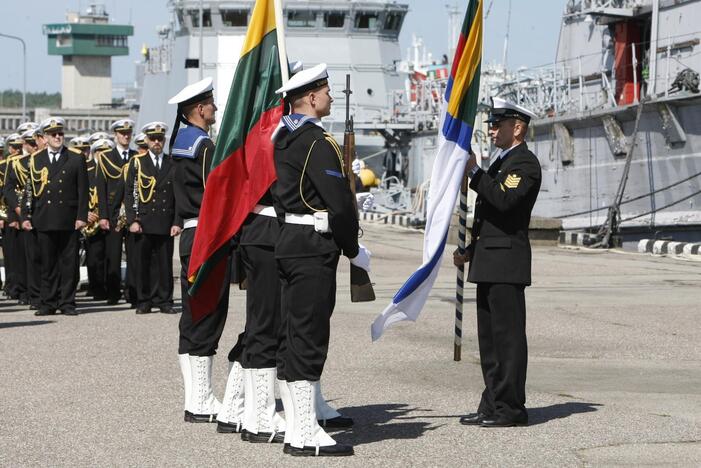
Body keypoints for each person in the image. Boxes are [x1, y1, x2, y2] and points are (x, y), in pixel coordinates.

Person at [271, 63, 371, 457]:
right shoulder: (317, 141)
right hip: (313, 245)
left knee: (293, 337)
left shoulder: (284, 137)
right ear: (311, 98)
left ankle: (298, 427)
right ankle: (304, 431)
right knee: (309, 338)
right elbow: (339, 204)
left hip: (289, 238)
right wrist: (352, 248)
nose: (330, 97)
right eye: (326, 91)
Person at [454, 97, 542, 428]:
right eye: (491, 124)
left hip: (507, 263)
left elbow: (504, 202)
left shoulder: (525, 164)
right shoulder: (500, 164)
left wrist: (474, 172)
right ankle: (492, 403)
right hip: (489, 261)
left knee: (508, 339)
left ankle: (511, 409)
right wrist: (469, 252)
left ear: (516, 128)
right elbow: (487, 219)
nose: (491, 130)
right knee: (489, 341)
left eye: (497, 124)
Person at [168, 77, 233, 424]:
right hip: (207, 237)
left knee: (193, 315)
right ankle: (201, 399)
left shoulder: (180, 142)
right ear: (198, 109)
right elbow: (216, 196)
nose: (215, 108)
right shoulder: (205, 147)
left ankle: (196, 396)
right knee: (208, 314)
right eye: (210, 103)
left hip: (191, 237)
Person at [22, 118, 89, 316]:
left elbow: (83, 191)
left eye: (60, 133)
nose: (58, 137)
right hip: (45, 217)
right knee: (47, 263)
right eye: (53, 134)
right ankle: (48, 302)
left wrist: (81, 216)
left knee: (69, 263)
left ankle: (67, 302)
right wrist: (26, 215)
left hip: (68, 218)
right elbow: (29, 190)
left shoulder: (75, 158)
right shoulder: (36, 159)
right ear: (44, 138)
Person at [124, 122, 180, 315]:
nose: (157, 142)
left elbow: (178, 195)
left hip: (165, 220)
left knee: (165, 264)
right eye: (153, 139)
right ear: (146, 140)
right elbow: (130, 193)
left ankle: (165, 300)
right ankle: (144, 300)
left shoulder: (172, 163)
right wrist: (132, 220)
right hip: (144, 220)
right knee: (143, 264)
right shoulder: (137, 163)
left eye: (160, 139)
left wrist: (177, 221)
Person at [97, 119, 136, 305]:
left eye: (128, 133)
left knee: (133, 254)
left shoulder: (137, 157)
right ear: (116, 135)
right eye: (122, 133)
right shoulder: (105, 158)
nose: (125, 136)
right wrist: (103, 215)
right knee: (113, 255)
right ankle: (113, 293)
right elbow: (101, 188)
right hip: (113, 213)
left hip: (132, 213)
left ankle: (133, 293)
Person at [78, 137, 112, 301]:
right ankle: (96, 288)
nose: (103, 155)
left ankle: (110, 287)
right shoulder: (87, 169)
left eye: (106, 151)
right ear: (94, 153)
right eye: (99, 152)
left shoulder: (113, 169)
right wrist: (85, 213)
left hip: (110, 218)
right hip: (92, 219)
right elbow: (80, 192)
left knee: (110, 256)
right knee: (94, 256)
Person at [3, 133, 31, 305]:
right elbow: (8, 190)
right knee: (17, 256)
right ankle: (19, 288)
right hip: (16, 213)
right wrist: (11, 215)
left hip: (36, 213)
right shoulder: (12, 163)